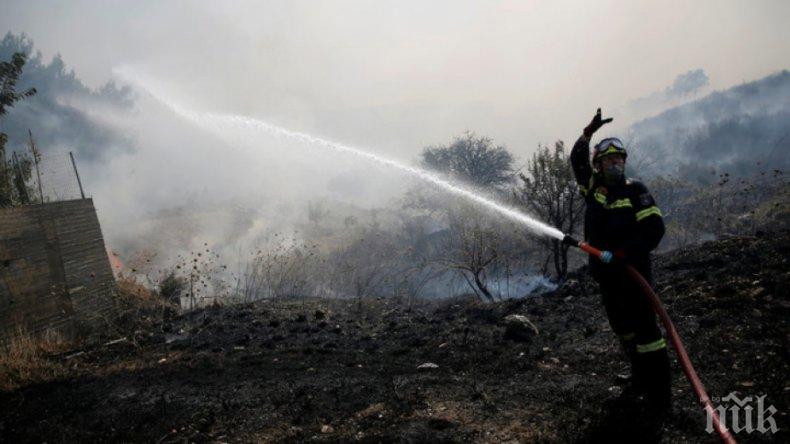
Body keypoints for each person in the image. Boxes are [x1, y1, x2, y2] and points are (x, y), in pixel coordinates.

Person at [569, 108, 671, 412]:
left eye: (619, 159)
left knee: (647, 332)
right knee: (622, 327)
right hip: (607, 276)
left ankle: (660, 393)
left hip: (633, 273)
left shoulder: (635, 191)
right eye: (608, 160)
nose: (615, 164)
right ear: (598, 165)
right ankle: (640, 377)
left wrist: (625, 254)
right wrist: (587, 133)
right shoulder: (593, 189)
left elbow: (654, 229)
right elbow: (576, 161)